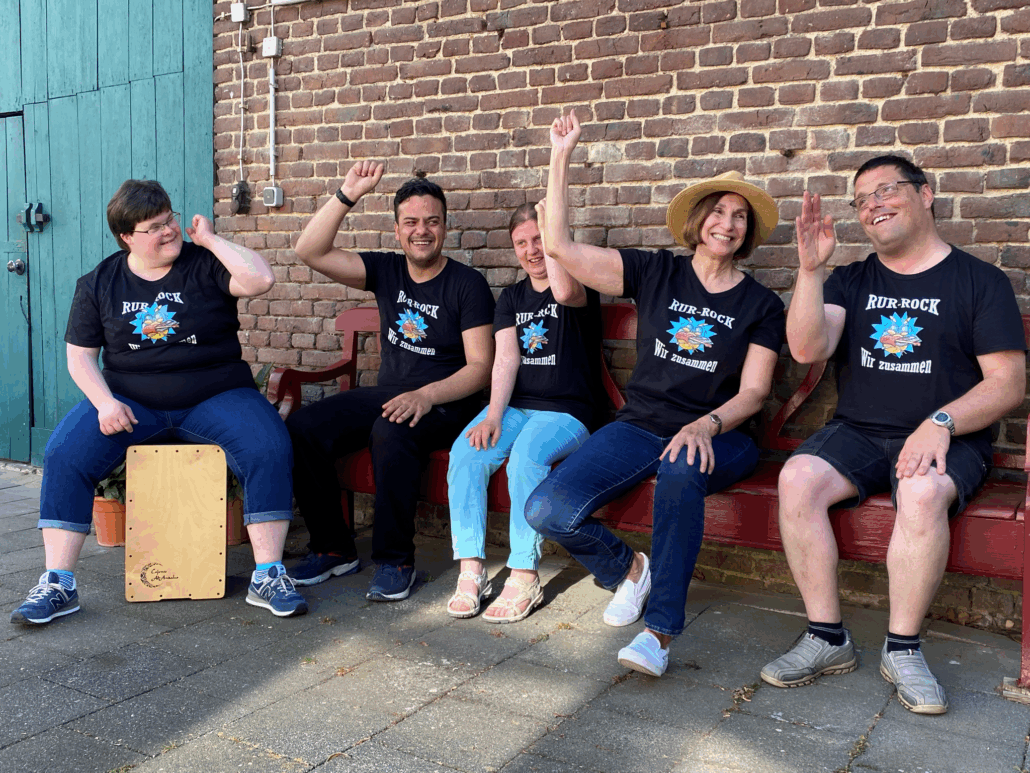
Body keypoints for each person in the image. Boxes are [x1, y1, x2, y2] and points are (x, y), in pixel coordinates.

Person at [760, 155, 1026, 715]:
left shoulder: (980, 281)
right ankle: (827, 638)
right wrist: (810, 272)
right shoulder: (852, 279)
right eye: (861, 200)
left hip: (948, 440)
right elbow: (808, 349)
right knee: (798, 477)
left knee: (922, 491)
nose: (873, 204)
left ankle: (903, 648)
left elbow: (1007, 385)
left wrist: (940, 422)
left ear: (926, 195)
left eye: (886, 190)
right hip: (859, 431)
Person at [527, 110, 785, 676]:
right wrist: (561, 155)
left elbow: (756, 391)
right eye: (718, 210)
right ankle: (628, 570)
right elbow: (562, 248)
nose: (728, 222)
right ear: (698, 221)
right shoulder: (656, 272)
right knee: (547, 508)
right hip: (641, 425)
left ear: (748, 233)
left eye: (740, 216)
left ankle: (660, 633)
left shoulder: (762, 304)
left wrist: (706, 425)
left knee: (679, 471)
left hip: (724, 435)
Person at [10, 179, 306, 625]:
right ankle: (58, 584)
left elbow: (260, 279)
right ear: (127, 236)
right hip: (131, 402)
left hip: (216, 395)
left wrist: (208, 238)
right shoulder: (99, 283)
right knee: (64, 454)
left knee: (268, 445)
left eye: (170, 219)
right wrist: (105, 403)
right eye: (155, 227)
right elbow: (80, 357)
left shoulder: (205, 264)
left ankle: (268, 574)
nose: (169, 231)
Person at [286, 163, 495, 602]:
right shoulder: (386, 271)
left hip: (447, 402)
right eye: (412, 222)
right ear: (397, 230)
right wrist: (347, 194)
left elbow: (480, 367)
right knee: (303, 427)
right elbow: (309, 250)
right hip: (392, 395)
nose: (422, 231)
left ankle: (395, 560)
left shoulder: (467, 285)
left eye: (432, 221)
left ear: (445, 227)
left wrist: (426, 395)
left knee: (390, 430)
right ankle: (333, 547)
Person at [445, 203, 602, 623]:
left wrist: (556, 240)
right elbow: (505, 360)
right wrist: (493, 415)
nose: (532, 250)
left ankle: (523, 572)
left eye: (539, 240)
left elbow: (564, 292)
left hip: (569, 413)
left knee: (527, 457)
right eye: (522, 243)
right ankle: (471, 569)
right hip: (517, 408)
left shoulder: (578, 286)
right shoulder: (512, 297)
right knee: (467, 452)